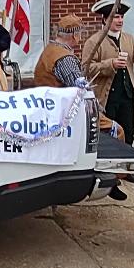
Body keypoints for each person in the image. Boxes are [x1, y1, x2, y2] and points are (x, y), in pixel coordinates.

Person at [36, 14, 128, 200]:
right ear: (74, 35)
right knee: (117, 130)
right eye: (79, 33)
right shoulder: (65, 58)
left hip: (50, 105)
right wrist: (97, 107)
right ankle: (115, 180)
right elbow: (79, 91)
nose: (80, 37)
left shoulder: (50, 49)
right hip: (65, 110)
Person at [81, 0, 134, 146]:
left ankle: (126, 166)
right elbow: (86, 69)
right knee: (109, 137)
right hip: (107, 99)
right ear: (105, 19)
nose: (120, 20)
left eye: (121, 17)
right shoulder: (94, 41)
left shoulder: (128, 38)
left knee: (128, 135)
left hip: (127, 97)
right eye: (116, 17)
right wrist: (110, 64)